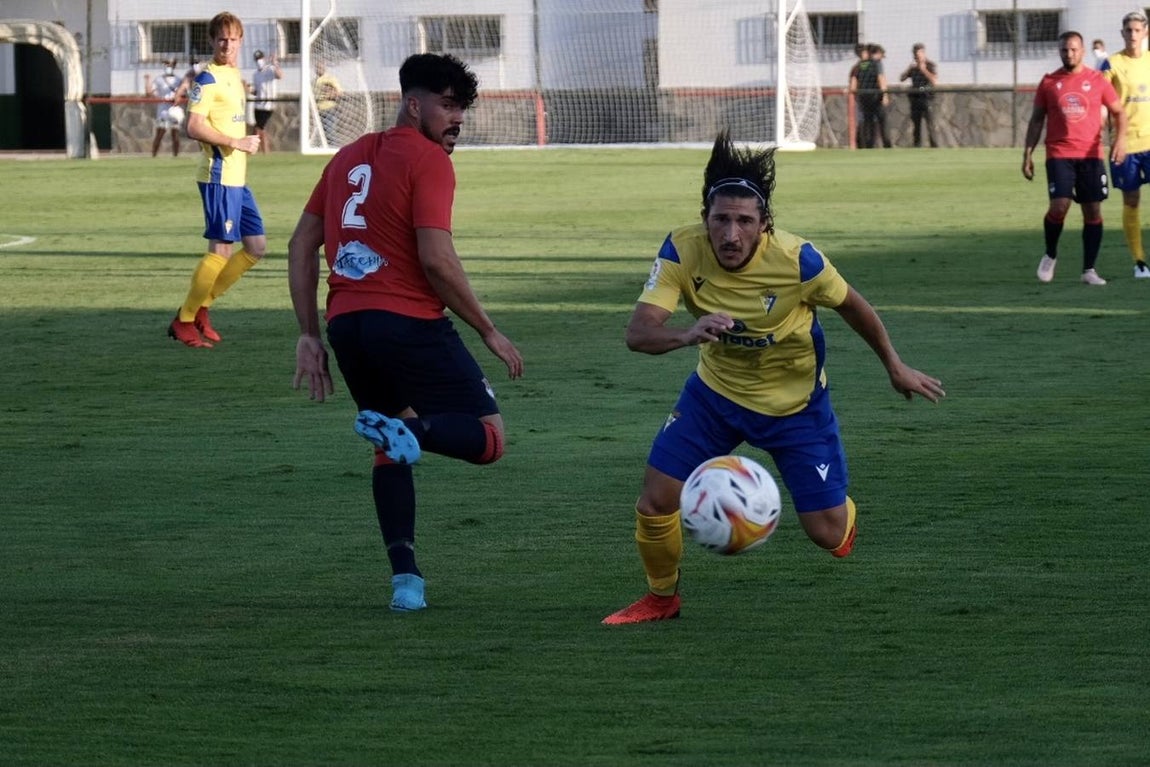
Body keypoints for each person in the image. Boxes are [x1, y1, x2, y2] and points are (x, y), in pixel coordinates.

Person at [601, 131, 945, 625]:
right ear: (705, 220)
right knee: (656, 500)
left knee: (829, 537)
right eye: (721, 220)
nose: (731, 234)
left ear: (764, 225)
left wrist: (895, 365)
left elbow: (854, 306)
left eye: (744, 221)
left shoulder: (799, 260)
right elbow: (638, 333)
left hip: (795, 408)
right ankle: (661, 599)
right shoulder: (681, 249)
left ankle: (835, 503)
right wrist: (689, 334)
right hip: (714, 398)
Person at [288, 53, 524, 612]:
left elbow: (301, 245)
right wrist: (488, 329)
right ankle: (411, 436)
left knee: (389, 443)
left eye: (460, 108)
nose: (456, 119)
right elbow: (437, 260)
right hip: (408, 323)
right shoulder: (429, 161)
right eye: (446, 106)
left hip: (347, 326)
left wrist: (308, 334)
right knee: (489, 440)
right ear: (412, 105)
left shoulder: (346, 158)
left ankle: (407, 583)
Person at [167, 11, 265, 348]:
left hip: (238, 177)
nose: (227, 44)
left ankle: (202, 308)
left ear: (240, 40)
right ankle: (183, 320)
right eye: (221, 39)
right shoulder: (207, 78)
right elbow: (193, 126)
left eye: (232, 39)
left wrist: (242, 139)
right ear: (212, 41)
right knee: (221, 251)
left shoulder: (234, 74)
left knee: (255, 247)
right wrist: (236, 142)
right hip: (219, 175)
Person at [1024, 31, 1127, 286]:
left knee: (1092, 210)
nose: (1068, 54)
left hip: (1091, 155)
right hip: (1059, 153)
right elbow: (1037, 119)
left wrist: (1120, 140)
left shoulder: (1098, 80)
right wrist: (1027, 154)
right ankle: (1050, 254)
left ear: (1082, 51)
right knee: (1060, 205)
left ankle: (1089, 270)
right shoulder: (1049, 82)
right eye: (1063, 50)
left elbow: (1119, 112)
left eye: (1073, 49)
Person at [1101, 11, 1150, 279]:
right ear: (1122, 33)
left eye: (1137, 30)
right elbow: (1101, 104)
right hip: (1125, 144)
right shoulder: (1111, 64)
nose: (1132, 35)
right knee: (1132, 200)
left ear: (1145, 32)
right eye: (1128, 30)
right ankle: (1139, 261)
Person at [899, 43, 939, 148]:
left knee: (931, 124)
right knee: (916, 125)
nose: (917, 57)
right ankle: (917, 145)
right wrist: (909, 69)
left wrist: (924, 70)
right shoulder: (913, 68)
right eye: (915, 55)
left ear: (923, 53)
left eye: (919, 54)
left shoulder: (930, 65)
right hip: (915, 99)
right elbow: (902, 78)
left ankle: (934, 145)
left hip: (927, 98)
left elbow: (934, 81)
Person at [856, 43, 891, 148]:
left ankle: (869, 144)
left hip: (864, 97)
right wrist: (885, 95)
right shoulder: (877, 63)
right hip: (876, 96)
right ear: (877, 53)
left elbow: (858, 80)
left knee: (868, 121)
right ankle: (887, 144)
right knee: (882, 121)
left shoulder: (861, 64)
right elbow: (880, 78)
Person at [249, 49, 282, 153]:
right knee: (259, 129)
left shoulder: (270, 70)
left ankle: (255, 150)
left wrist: (275, 63)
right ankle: (263, 151)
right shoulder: (255, 75)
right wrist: (249, 90)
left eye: (260, 58)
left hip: (268, 105)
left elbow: (280, 75)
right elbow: (256, 91)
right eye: (257, 59)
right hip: (258, 104)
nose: (259, 61)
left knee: (258, 128)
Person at [149, 57, 183, 157]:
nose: (168, 67)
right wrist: (147, 81)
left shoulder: (178, 80)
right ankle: (154, 155)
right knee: (159, 133)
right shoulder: (159, 79)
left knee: (175, 134)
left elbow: (183, 92)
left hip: (174, 110)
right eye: (166, 65)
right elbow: (151, 92)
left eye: (170, 65)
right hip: (162, 110)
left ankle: (175, 156)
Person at [313, 60, 343, 147]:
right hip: (318, 110)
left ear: (324, 68)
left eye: (320, 67)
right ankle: (324, 149)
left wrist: (330, 94)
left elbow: (339, 92)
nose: (319, 69)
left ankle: (333, 150)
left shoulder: (330, 79)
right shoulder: (314, 81)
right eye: (317, 67)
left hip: (329, 109)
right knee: (320, 133)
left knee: (330, 131)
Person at [847, 43, 870, 149]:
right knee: (861, 122)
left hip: (871, 97)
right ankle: (861, 144)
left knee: (870, 122)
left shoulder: (872, 65)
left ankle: (869, 144)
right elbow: (853, 83)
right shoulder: (857, 68)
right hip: (861, 98)